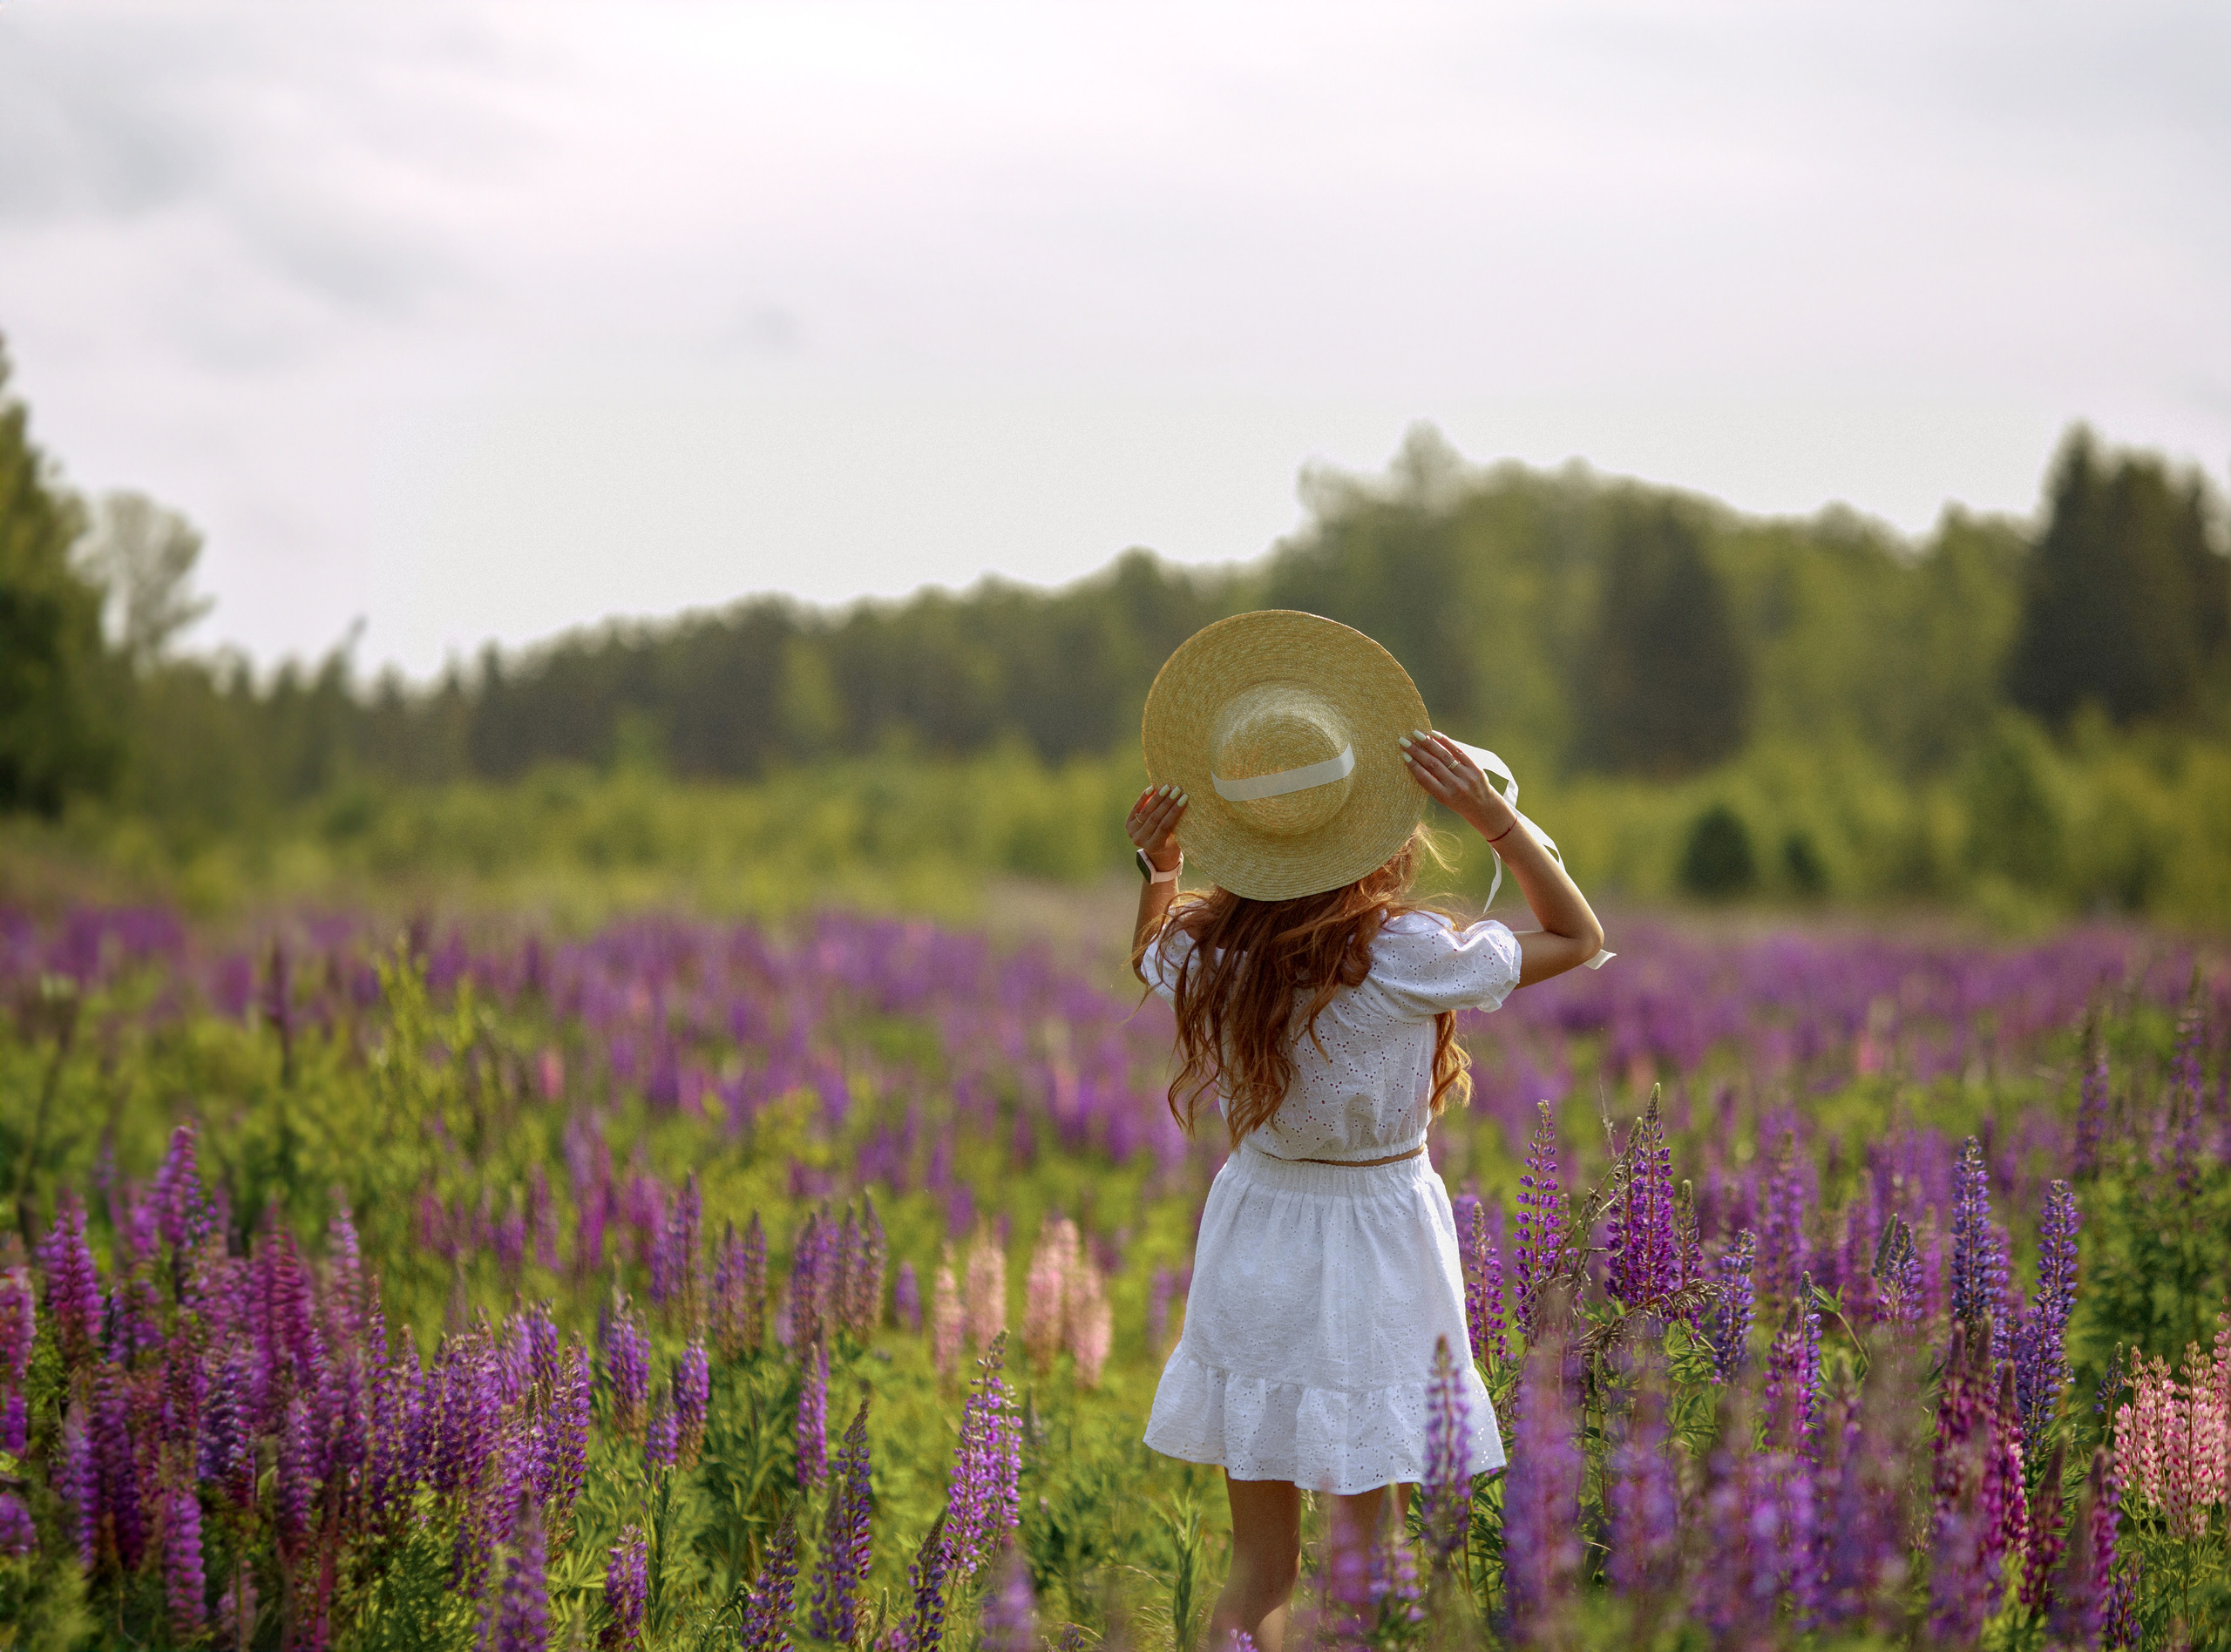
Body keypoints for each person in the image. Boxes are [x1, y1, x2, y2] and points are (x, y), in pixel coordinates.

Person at [1122, 611, 1604, 1652]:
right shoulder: (1408, 955)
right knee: (1361, 1564)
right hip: (1377, 1237)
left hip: (1257, 1224)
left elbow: (1150, 949)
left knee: (1258, 1568)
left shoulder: (1213, 953)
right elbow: (1578, 935)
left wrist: (1160, 867)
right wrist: (1495, 821)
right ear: (1372, 824)